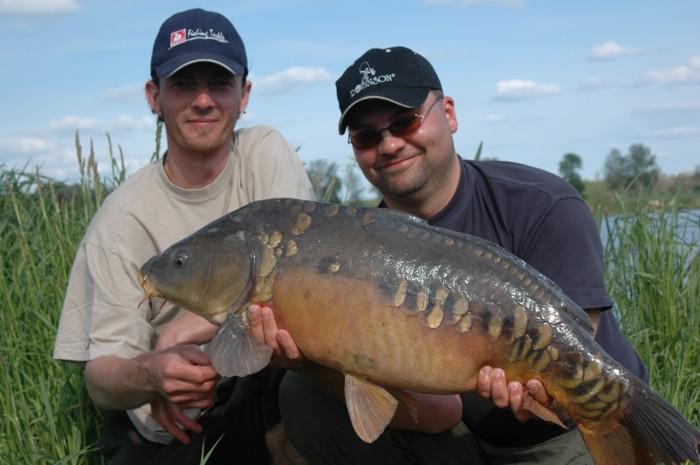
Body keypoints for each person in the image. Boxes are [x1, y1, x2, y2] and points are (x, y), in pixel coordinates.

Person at [252, 46, 648, 465]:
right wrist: (310, 364)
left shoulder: (544, 204)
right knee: (301, 397)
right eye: (367, 136)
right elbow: (439, 413)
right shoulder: (360, 252)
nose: (388, 144)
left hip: (563, 432)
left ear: (450, 114)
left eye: (405, 122)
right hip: (459, 433)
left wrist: (540, 383)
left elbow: (574, 343)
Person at [53, 8, 314, 465]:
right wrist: (151, 374)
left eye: (219, 84)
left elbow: (297, 284)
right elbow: (101, 377)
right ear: (154, 97)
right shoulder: (120, 220)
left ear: (244, 94)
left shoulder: (264, 153)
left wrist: (183, 326)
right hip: (183, 415)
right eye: (182, 85)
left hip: (266, 380)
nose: (203, 101)